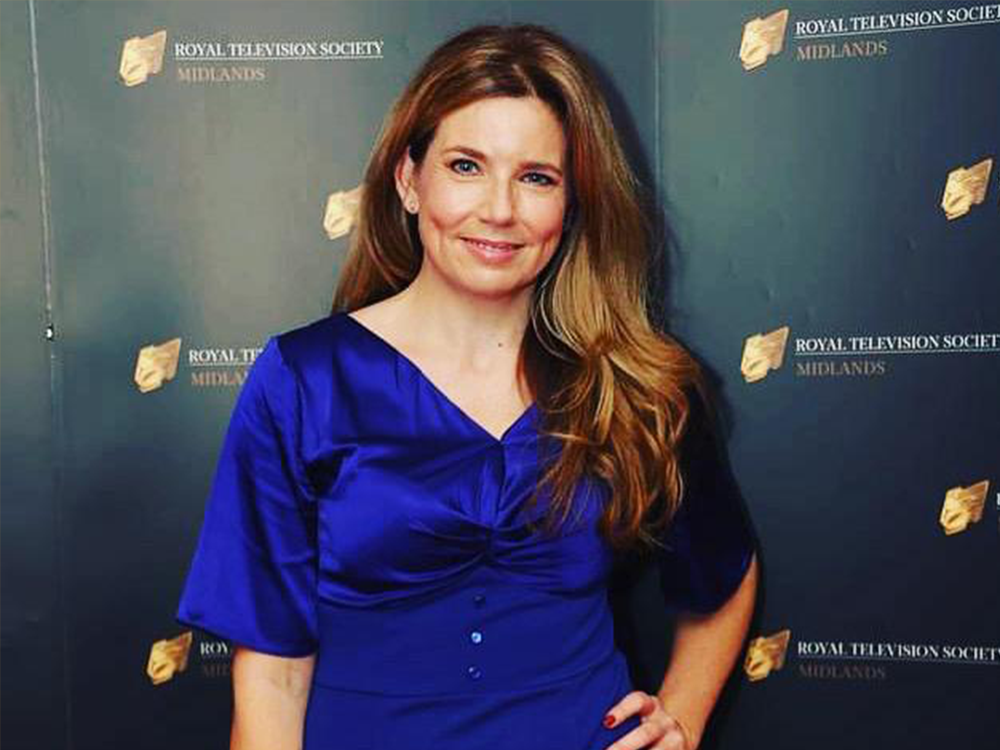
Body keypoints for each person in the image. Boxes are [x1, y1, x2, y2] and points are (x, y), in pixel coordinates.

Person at [176, 23, 758, 750]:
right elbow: (270, 679)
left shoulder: (633, 379)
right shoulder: (304, 381)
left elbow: (724, 572)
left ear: (572, 204)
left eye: (537, 177)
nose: (500, 209)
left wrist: (683, 723)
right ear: (408, 180)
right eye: (465, 166)